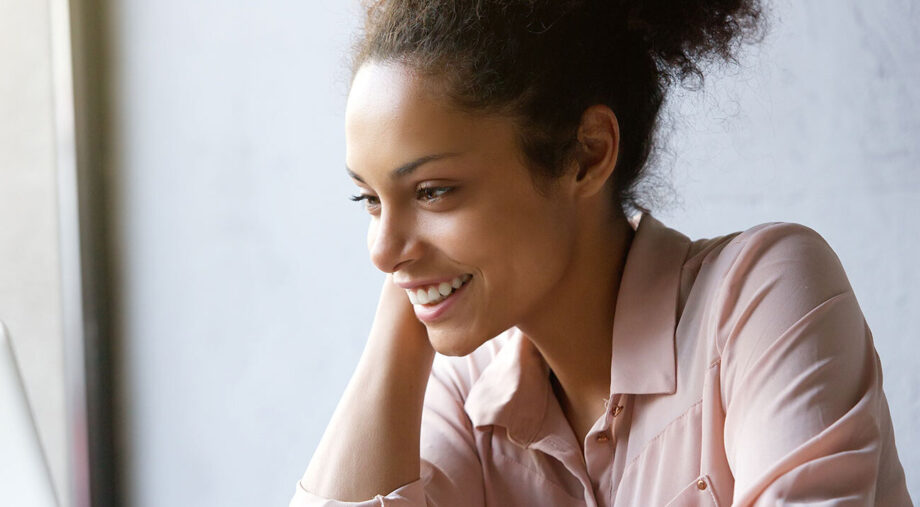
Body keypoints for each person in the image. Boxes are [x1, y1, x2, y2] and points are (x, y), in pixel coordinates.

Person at [292, 0, 912, 505]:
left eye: (434, 191)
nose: (380, 250)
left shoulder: (761, 295)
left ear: (586, 153)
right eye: (369, 200)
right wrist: (409, 307)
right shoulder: (465, 394)